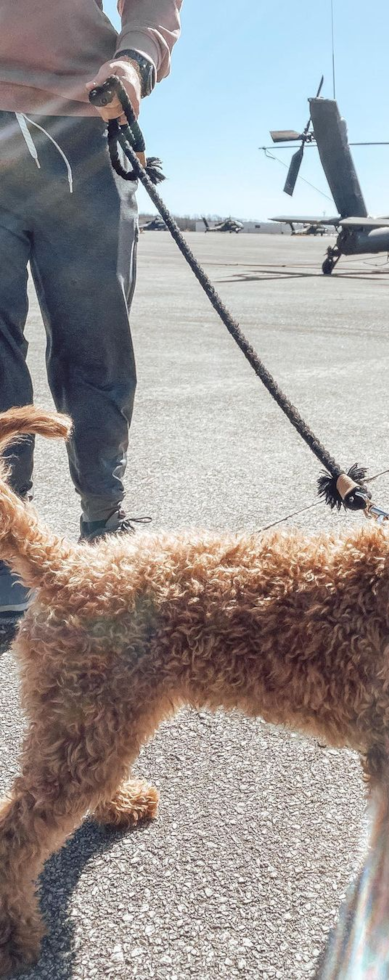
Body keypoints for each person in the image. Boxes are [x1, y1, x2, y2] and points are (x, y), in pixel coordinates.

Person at [0, 0, 182, 618]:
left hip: (81, 122)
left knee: (96, 343)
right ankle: (4, 540)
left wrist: (136, 61)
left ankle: (103, 518)